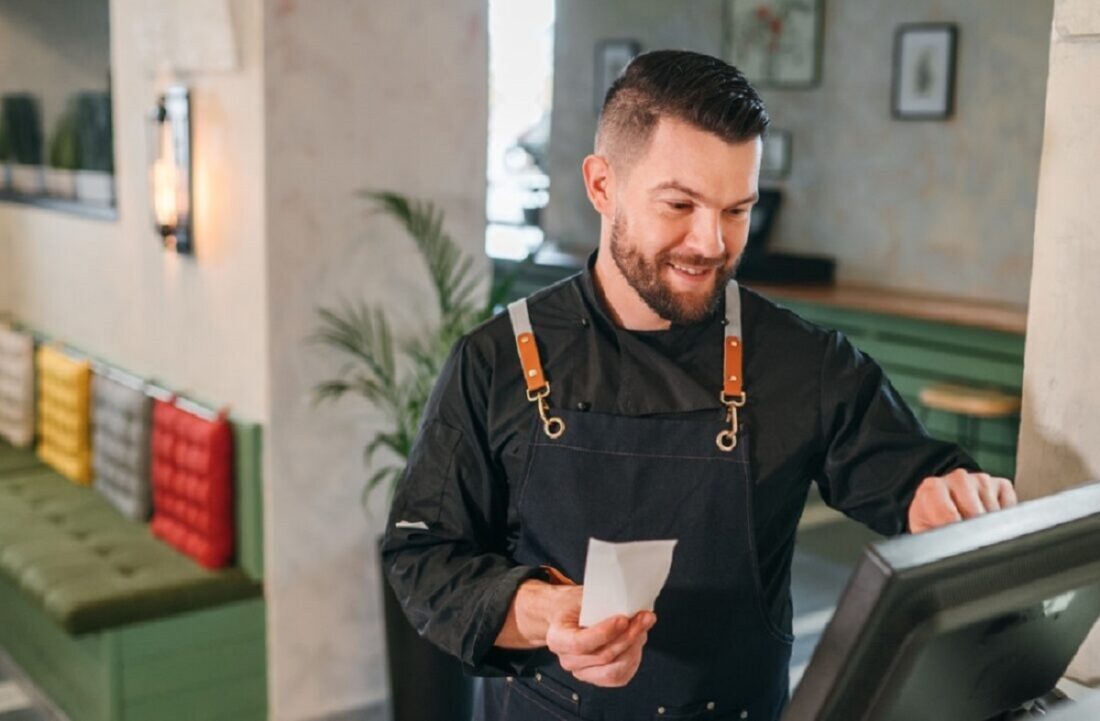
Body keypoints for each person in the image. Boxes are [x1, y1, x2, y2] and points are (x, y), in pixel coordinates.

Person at [382, 49, 1016, 721]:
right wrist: (545, 611)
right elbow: (423, 557)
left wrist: (939, 495)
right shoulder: (495, 360)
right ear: (602, 186)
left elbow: (911, 478)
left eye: (737, 210)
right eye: (680, 204)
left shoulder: (802, 362)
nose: (711, 242)